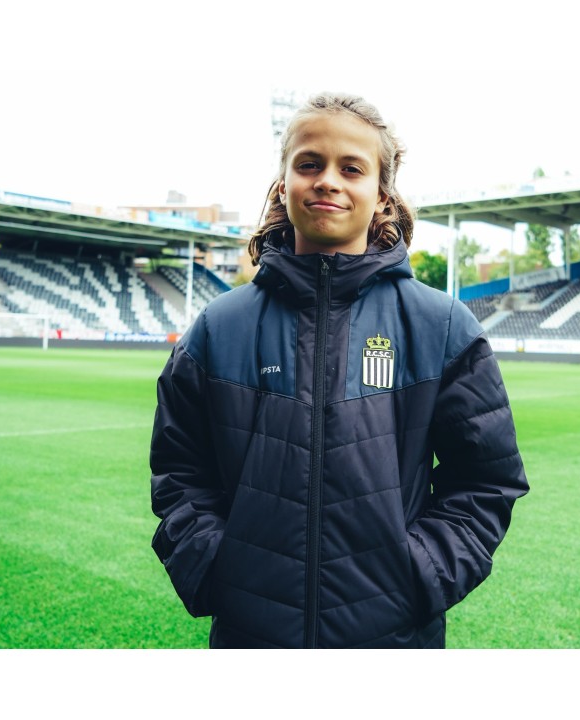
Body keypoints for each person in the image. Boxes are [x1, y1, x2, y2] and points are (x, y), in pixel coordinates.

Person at [150, 92, 528, 649]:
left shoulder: (442, 326)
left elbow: (486, 481)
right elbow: (178, 472)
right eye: (309, 164)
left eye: (351, 168)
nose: (328, 181)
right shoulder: (218, 327)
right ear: (284, 185)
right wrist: (217, 568)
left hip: (395, 641)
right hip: (251, 637)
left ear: (382, 195)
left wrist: (416, 575)